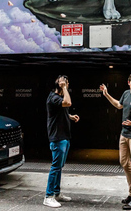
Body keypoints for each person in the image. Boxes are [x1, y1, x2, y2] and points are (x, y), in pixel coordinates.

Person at [100, 72, 131, 210]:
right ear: (128, 82)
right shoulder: (126, 93)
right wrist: (106, 94)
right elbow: (119, 105)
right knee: (124, 162)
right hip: (123, 134)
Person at [44, 75, 80, 208]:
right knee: (55, 167)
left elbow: (61, 110)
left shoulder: (57, 98)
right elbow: (68, 103)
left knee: (59, 167)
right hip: (58, 138)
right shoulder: (53, 97)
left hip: (64, 136)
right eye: (64, 83)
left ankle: (57, 193)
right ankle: (48, 196)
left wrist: (69, 116)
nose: (66, 85)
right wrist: (64, 87)